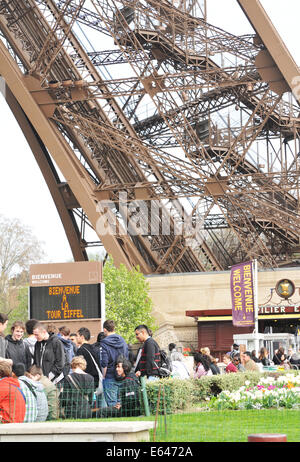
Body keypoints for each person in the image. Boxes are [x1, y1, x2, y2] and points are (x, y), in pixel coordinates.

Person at [100, 320, 129, 406]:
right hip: (122, 375)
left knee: (112, 405)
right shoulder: (123, 341)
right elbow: (126, 358)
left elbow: (104, 362)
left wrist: (104, 375)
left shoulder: (104, 343)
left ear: (105, 330)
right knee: (121, 404)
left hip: (109, 375)